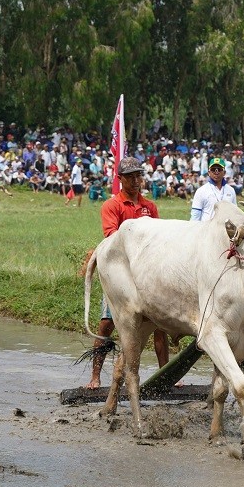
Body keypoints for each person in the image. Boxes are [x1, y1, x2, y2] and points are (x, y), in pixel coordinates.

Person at [85, 157, 170, 389]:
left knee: (159, 325)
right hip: (120, 274)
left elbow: (158, 238)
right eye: (130, 176)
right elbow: (112, 238)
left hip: (146, 274)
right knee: (106, 324)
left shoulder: (149, 207)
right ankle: (95, 377)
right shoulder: (112, 206)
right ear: (120, 179)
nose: (135, 180)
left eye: (138, 176)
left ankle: (168, 376)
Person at [190, 157, 236, 221]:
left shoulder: (231, 190)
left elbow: (234, 213)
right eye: (213, 169)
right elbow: (195, 217)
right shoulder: (201, 191)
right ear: (209, 172)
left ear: (224, 172)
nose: (216, 172)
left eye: (219, 169)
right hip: (206, 230)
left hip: (225, 230)